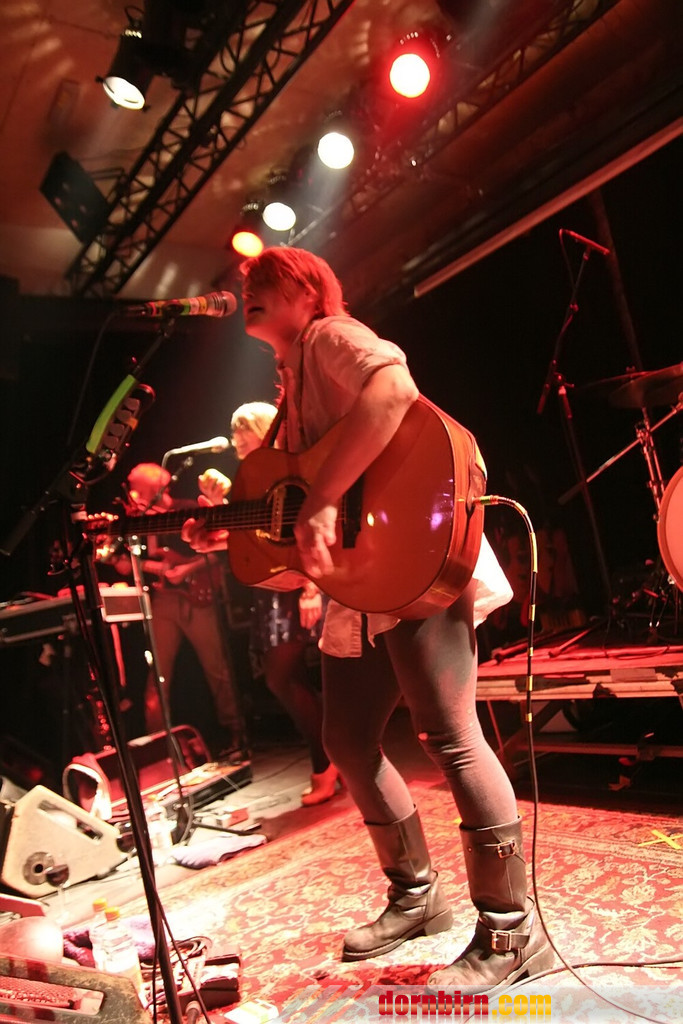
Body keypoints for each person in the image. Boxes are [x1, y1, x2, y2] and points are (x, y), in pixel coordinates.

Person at [182, 247, 553, 993]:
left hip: (411, 553)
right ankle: (416, 895)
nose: (249, 288)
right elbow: (302, 510)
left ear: (308, 291)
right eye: (246, 284)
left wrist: (322, 501)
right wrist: (233, 531)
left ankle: (512, 931)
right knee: (348, 739)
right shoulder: (290, 384)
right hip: (362, 578)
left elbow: (393, 389)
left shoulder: (328, 335)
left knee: (450, 735)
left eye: (266, 280)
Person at [198, 401, 339, 806]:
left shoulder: (284, 469)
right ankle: (332, 760)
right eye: (235, 437)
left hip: (293, 583)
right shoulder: (250, 478)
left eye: (244, 434)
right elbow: (249, 536)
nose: (237, 442)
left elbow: (303, 525)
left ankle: (328, 764)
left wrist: (311, 589)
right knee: (287, 678)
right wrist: (216, 508)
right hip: (270, 584)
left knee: (286, 677)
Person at [111, 462, 247, 762]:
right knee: (158, 675)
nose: (134, 496)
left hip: (197, 598)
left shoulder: (188, 509)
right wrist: (125, 565)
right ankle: (160, 748)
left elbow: (222, 552)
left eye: (139, 491)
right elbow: (153, 563)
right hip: (165, 600)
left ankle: (238, 734)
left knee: (217, 669)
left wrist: (187, 570)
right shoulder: (142, 522)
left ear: (156, 490)